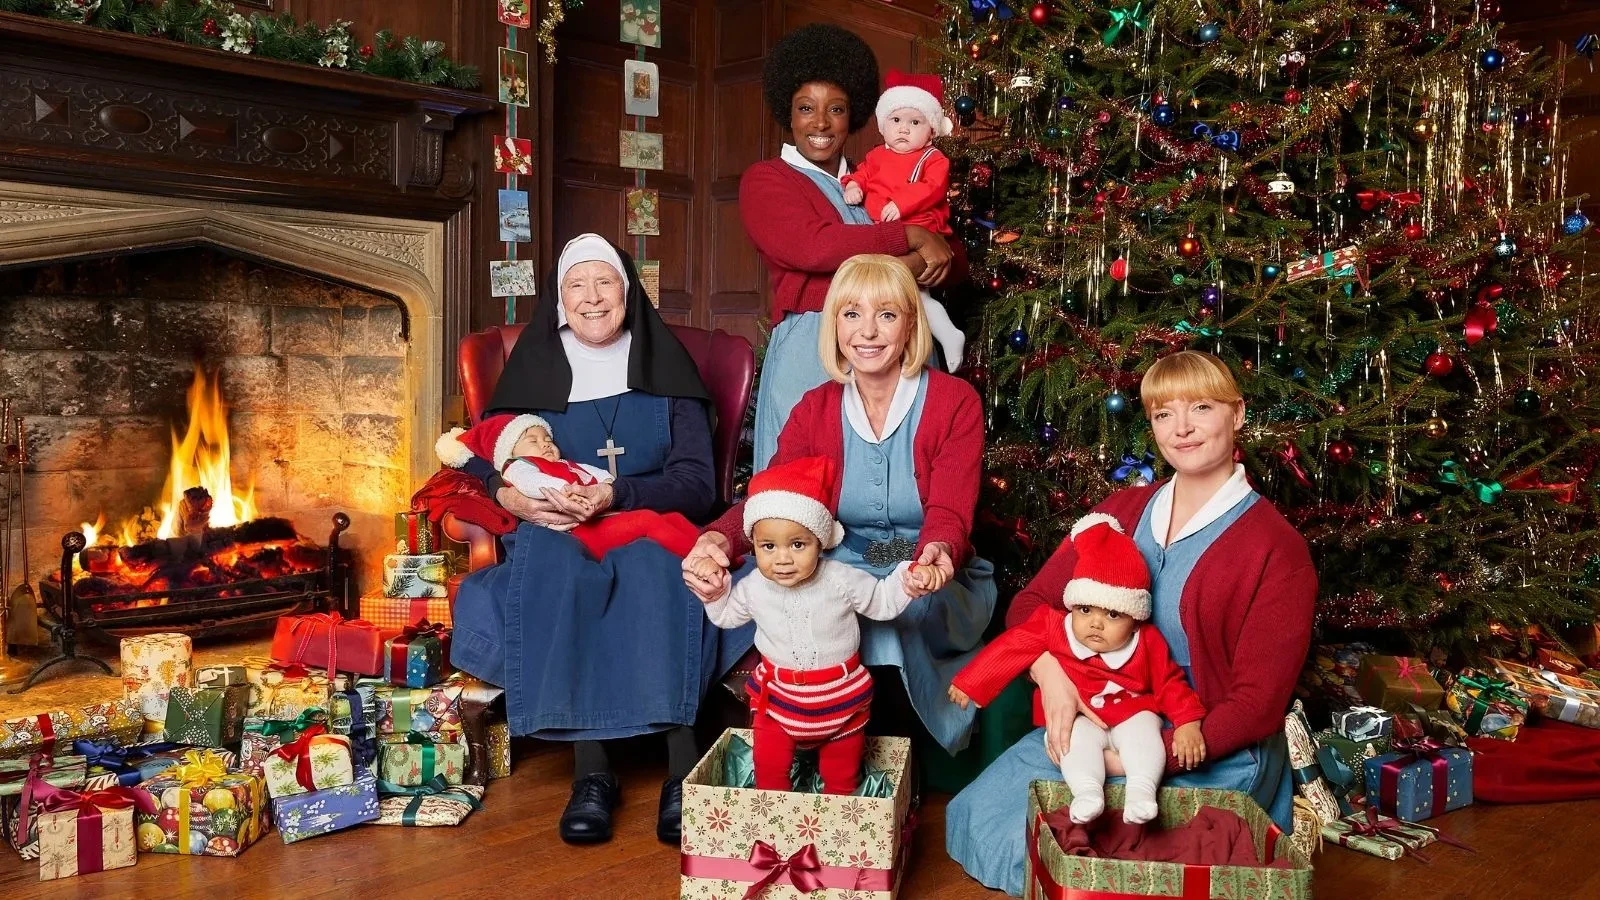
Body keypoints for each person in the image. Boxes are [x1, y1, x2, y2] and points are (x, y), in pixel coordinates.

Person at [943, 350, 1317, 896]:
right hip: (1095, 719)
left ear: (1237, 414)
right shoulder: (1120, 511)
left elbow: (1256, 706)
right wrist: (1051, 675)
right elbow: (1032, 604)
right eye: (1164, 414)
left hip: (1202, 743)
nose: (1182, 428)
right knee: (986, 818)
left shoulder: (1277, 549)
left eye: (1201, 408)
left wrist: (1130, 760)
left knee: (1117, 859)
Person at [449, 233, 716, 847]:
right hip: (558, 529)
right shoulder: (534, 368)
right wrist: (509, 496)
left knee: (656, 566)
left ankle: (683, 770)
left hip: (643, 515)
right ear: (560, 300)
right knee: (559, 567)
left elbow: (699, 482)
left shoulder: (667, 367)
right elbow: (477, 458)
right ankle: (592, 774)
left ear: (627, 292)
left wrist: (618, 493)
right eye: (577, 285)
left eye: (605, 283)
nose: (592, 298)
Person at [683, 253, 995, 759]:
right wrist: (719, 539)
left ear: (910, 324)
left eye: (886, 314)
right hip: (842, 560)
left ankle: (891, 773)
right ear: (834, 325)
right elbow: (770, 500)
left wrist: (938, 551)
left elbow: (950, 510)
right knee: (806, 598)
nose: (867, 331)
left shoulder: (954, 402)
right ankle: (811, 753)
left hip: (925, 565)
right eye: (852, 314)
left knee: (891, 619)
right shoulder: (815, 408)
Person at [741, 23, 965, 472]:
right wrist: (909, 240)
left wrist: (930, 248)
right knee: (807, 484)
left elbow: (949, 254)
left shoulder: (874, 178)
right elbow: (811, 246)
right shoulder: (767, 179)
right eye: (806, 108)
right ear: (788, 113)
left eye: (837, 109)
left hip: (899, 349)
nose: (821, 123)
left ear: (855, 115)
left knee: (899, 482)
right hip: (813, 351)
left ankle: (895, 533)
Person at [695, 455, 937, 794]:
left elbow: (882, 602)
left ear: (820, 542)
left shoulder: (841, 578)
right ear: (754, 545)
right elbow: (725, 616)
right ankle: (776, 819)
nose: (782, 558)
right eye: (768, 546)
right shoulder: (753, 587)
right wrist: (716, 593)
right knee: (769, 773)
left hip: (841, 701)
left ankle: (837, 820)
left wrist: (908, 580)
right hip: (778, 701)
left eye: (798, 545)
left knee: (841, 778)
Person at [948, 514, 1207, 826]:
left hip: (1133, 710)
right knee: (1070, 744)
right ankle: (1087, 792)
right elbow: (1013, 645)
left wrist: (1188, 722)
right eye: (1085, 610)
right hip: (1080, 718)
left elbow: (1169, 682)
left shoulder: (1146, 641)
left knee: (1144, 737)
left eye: (1113, 614)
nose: (1096, 623)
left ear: (1135, 618)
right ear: (1072, 605)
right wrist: (972, 682)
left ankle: (1142, 791)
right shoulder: (1055, 626)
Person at [435, 413, 700, 558]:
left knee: (672, 518)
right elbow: (533, 484)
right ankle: (700, 561)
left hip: (604, 516)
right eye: (533, 441)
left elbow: (598, 475)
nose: (545, 444)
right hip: (578, 533)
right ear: (510, 452)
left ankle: (709, 551)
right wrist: (565, 492)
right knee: (647, 521)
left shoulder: (567, 465)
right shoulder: (518, 466)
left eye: (548, 439)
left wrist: (608, 487)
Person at [840, 69, 965, 372]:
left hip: (921, 226)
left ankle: (945, 335)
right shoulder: (876, 156)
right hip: (886, 230)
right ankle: (935, 336)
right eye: (896, 120)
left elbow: (932, 187)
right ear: (883, 126)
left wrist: (900, 203)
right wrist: (853, 185)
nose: (904, 129)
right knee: (901, 293)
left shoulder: (932, 158)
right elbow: (862, 174)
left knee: (905, 287)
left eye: (915, 122)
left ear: (931, 131)